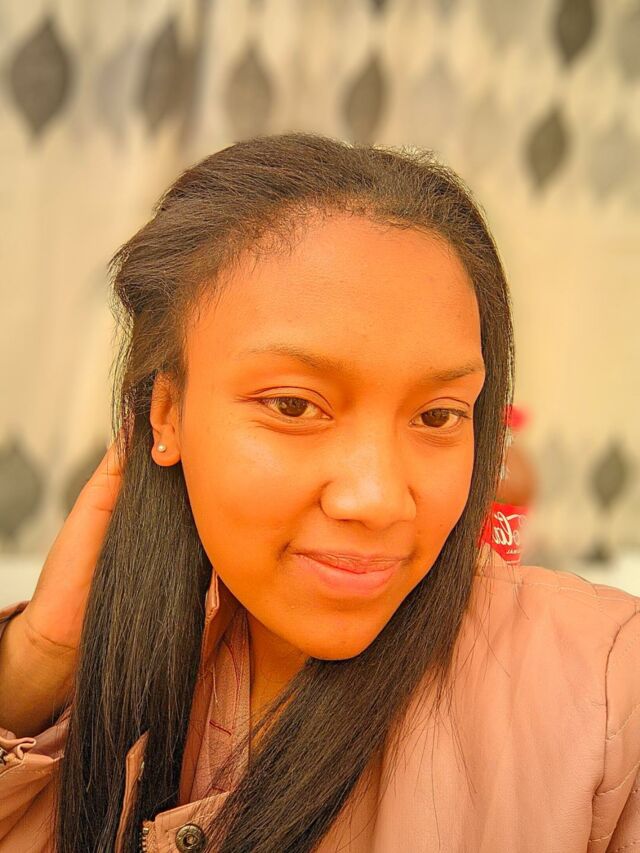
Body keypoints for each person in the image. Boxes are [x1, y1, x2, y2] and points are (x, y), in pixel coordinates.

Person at [0, 132, 638, 853]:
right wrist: (33, 666)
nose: (377, 498)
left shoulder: (610, 691)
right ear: (167, 413)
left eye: (438, 416)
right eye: (294, 405)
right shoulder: (87, 679)